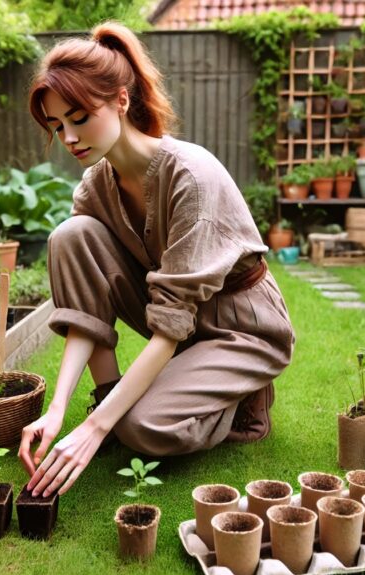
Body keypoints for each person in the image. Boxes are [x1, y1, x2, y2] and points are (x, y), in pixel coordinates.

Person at [18, 22, 294, 498]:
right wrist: (60, 410)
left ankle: (243, 398)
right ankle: (110, 400)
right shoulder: (95, 187)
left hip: (240, 325)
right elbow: (87, 305)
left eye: (80, 117)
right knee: (71, 236)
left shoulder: (191, 175)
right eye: (57, 125)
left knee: (141, 429)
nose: (69, 136)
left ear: (121, 100)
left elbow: (169, 325)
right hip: (176, 321)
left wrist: (100, 430)